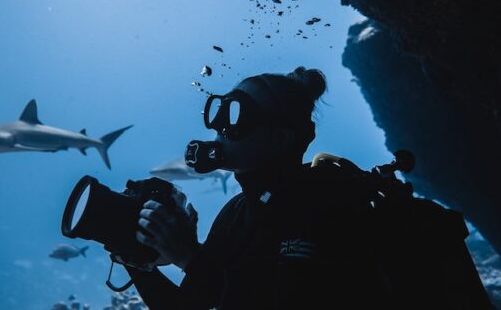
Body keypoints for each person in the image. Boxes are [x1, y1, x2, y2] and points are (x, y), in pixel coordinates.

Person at [126, 67, 391, 310]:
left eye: (236, 114)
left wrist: (190, 258)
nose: (220, 127)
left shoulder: (325, 204)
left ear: (279, 140)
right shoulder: (235, 213)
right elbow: (188, 305)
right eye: (220, 111)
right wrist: (135, 260)